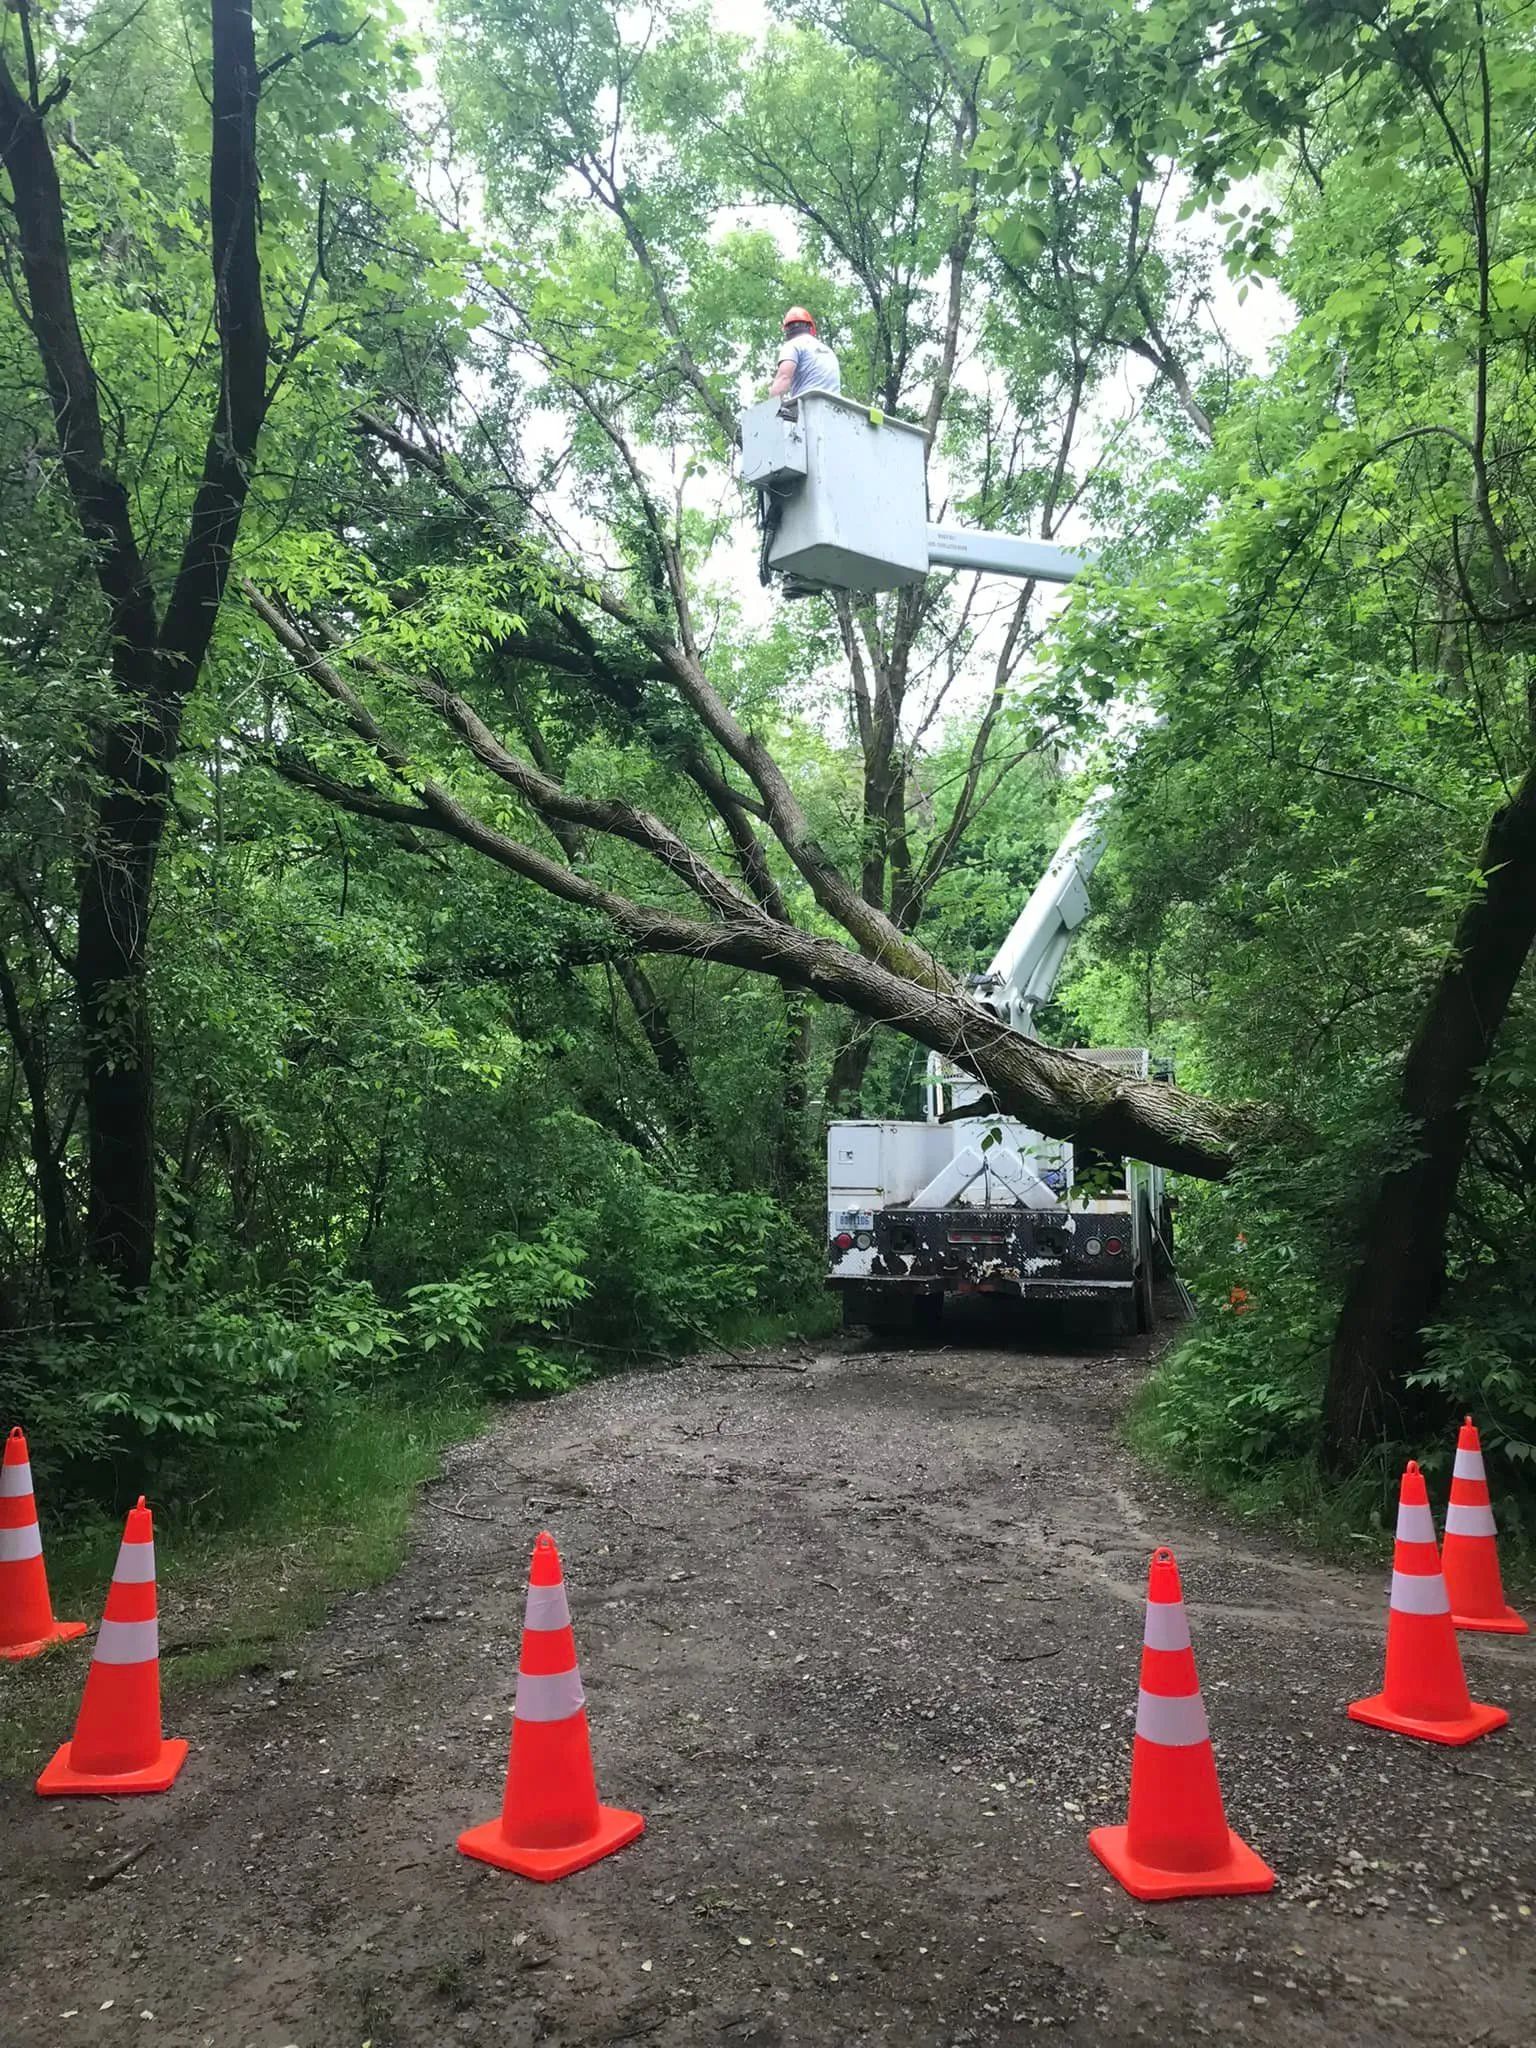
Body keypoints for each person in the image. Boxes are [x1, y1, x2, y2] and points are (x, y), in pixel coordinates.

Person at [770, 306, 839, 414]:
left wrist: (769, 411)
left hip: (808, 411)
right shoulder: (829, 351)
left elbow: (783, 378)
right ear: (810, 328)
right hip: (835, 412)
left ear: (787, 330)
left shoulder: (793, 345)